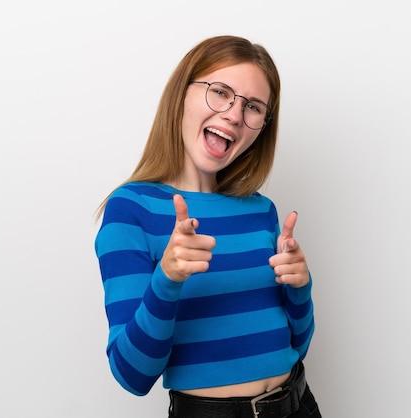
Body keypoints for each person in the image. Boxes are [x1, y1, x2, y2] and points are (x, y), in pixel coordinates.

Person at [94, 35, 321, 418]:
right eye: (220, 92)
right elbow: (131, 374)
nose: (234, 114)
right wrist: (166, 279)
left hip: (299, 405)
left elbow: (297, 345)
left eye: (253, 107)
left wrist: (301, 287)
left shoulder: (262, 210)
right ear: (182, 94)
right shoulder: (131, 209)